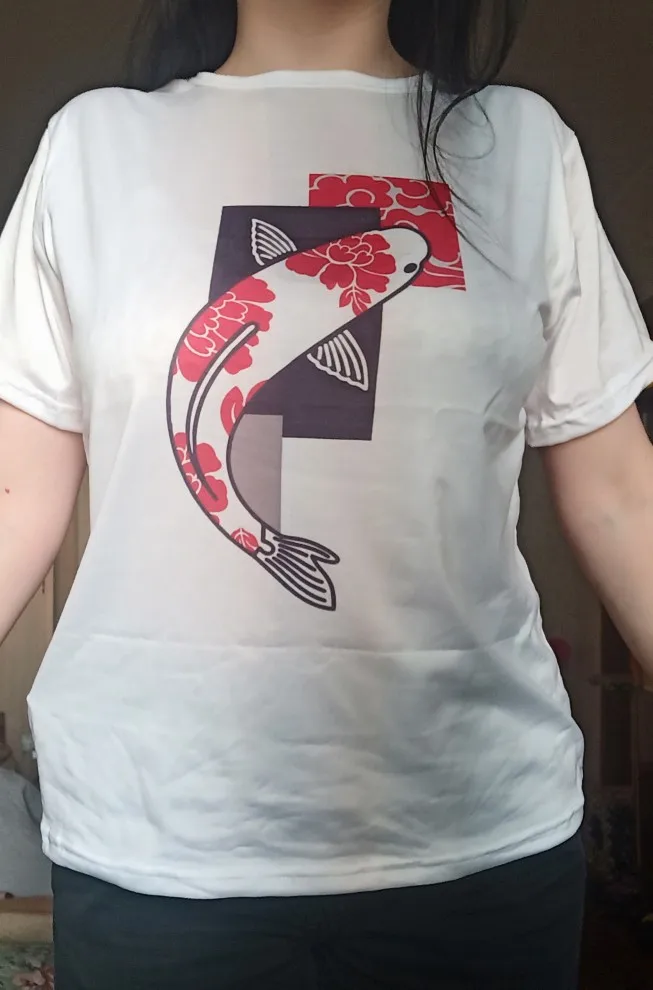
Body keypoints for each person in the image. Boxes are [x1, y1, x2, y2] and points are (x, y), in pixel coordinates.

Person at [1, 1, 652, 987]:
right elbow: (15, 495)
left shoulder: (518, 144)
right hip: (155, 841)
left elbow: (617, 496)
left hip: (476, 836)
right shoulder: (92, 145)